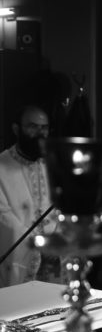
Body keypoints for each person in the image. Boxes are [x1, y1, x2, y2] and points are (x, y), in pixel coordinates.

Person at [0, 105, 58, 287]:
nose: (40, 133)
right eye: (33, 127)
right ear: (17, 129)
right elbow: (4, 217)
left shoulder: (54, 165)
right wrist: (38, 246)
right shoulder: (1, 166)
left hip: (55, 259)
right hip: (22, 258)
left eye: (44, 128)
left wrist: (58, 241)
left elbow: (64, 209)